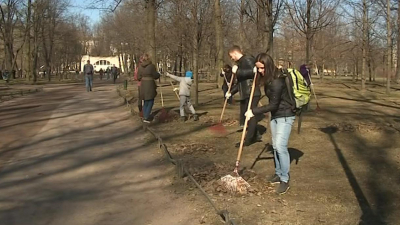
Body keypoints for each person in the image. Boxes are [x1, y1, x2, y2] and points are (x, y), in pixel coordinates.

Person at [245, 53, 296, 195]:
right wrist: (253, 73)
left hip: (285, 115)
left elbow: (273, 105)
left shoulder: (277, 81)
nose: (260, 71)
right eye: (258, 68)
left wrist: (253, 111)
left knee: (280, 146)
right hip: (276, 115)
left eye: (261, 68)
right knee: (274, 146)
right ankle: (278, 174)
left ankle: (285, 179)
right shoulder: (267, 78)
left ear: (268, 66)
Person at [226, 45, 261, 147]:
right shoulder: (241, 62)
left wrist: (237, 71)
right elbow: (241, 82)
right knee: (248, 116)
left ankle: (248, 140)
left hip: (252, 92)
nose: (231, 58)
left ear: (235, 53)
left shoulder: (248, 59)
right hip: (246, 92)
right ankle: (255, 135)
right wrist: (231, 92)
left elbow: (254, 73)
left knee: (250, 115)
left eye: (231, 56)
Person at [137, 54, 160, 123]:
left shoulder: (140, 67)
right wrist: (158, 75)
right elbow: (155, 75)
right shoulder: (151, 66)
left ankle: (144, 115)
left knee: (146, 101)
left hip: (143, 85)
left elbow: (138, 77)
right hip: (150, 84)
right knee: (150, 101)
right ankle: (146, 117)